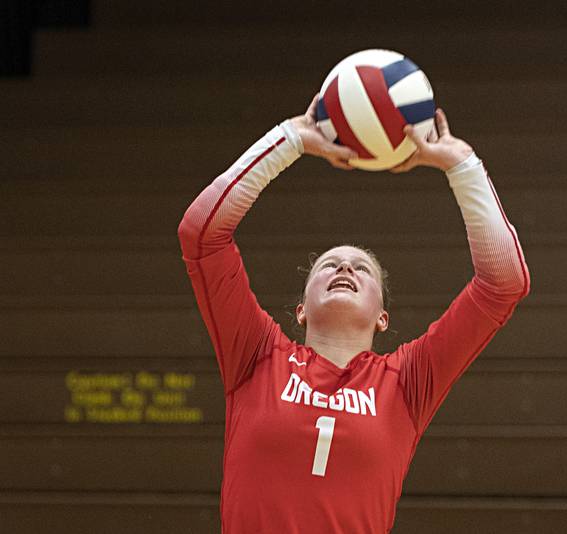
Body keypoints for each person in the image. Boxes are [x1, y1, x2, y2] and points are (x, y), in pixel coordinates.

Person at [177, 94, 530, 534]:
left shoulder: (407, 382)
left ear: (382, 316)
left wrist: (462, 165)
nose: (344, 267)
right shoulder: (257, 355)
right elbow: (201, 234)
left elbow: (504, 284)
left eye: (361, 268)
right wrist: (288, 142)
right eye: (328, 264)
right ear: (301, 310)